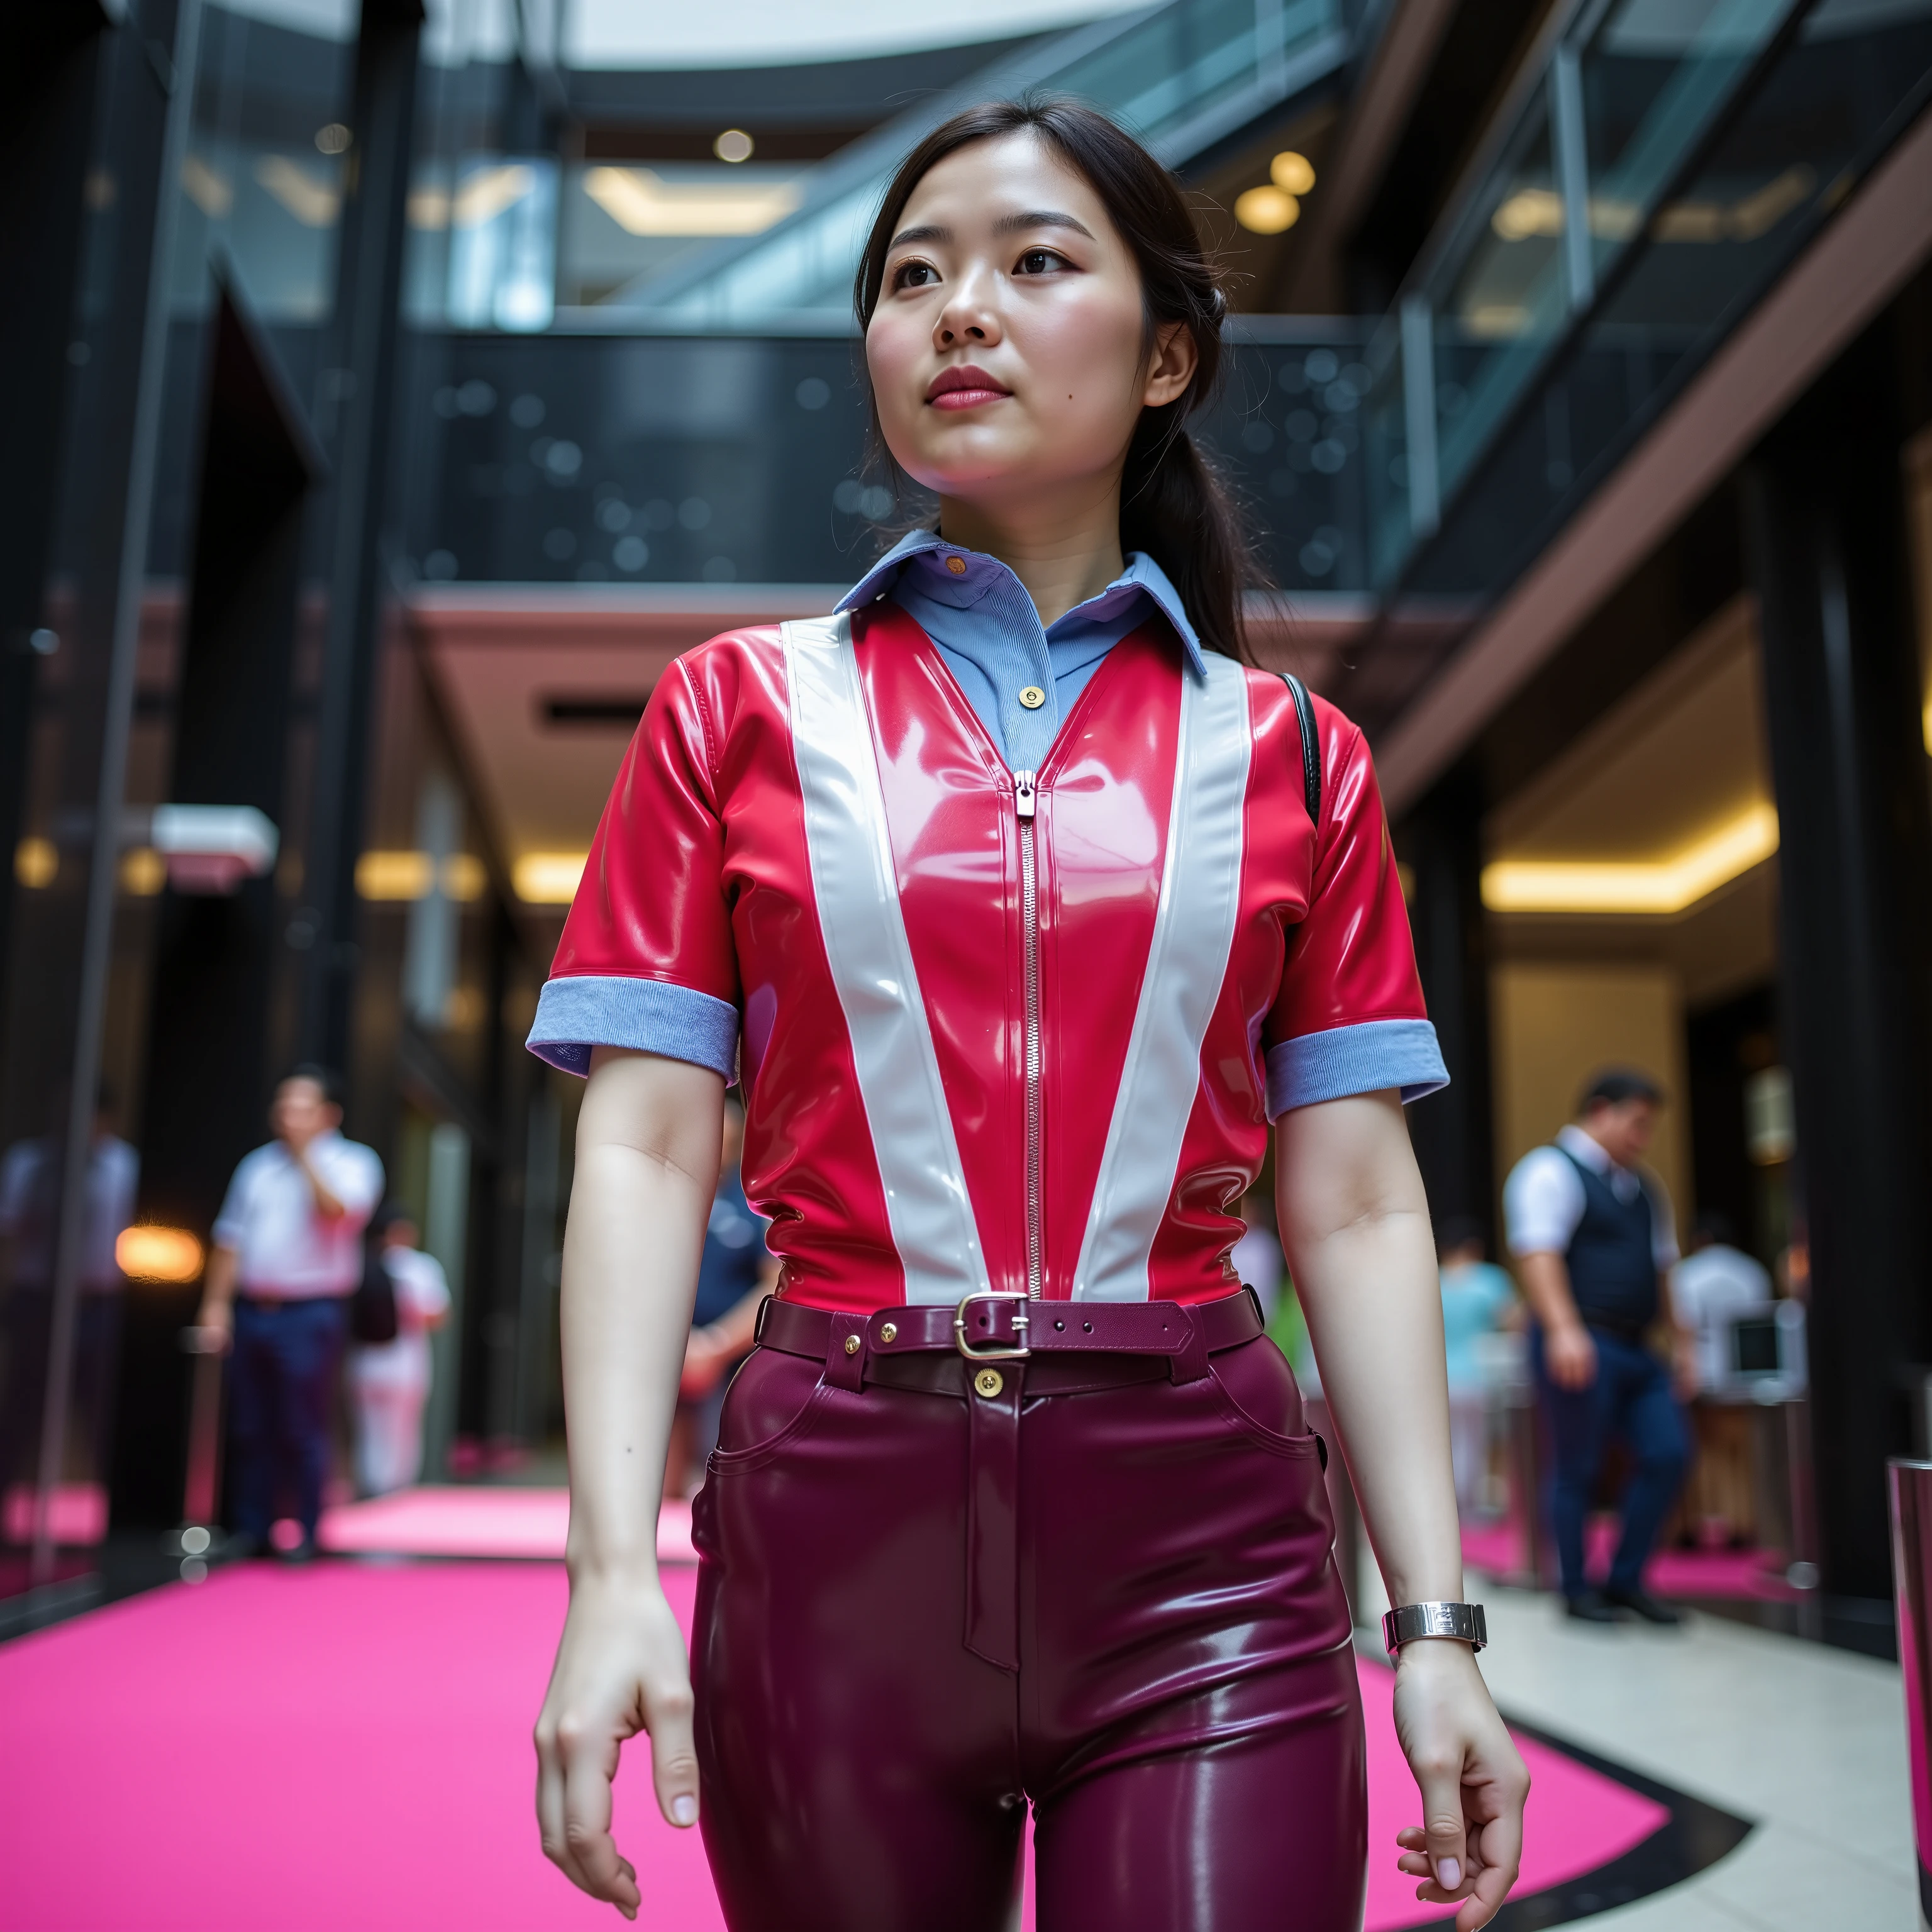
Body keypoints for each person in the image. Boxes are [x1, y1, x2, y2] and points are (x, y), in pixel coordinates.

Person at [528, 99, 1527, 1932]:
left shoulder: (1299, 757)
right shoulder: (730, 710)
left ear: (1166, 356)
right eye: (913, 278)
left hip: (1207, 1547)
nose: (958, 311)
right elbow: (648, 1141)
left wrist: (1436, 1625)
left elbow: (1363, 1202)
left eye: (1031, 262)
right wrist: (609, 1576)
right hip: (829, 1533)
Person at [1503, 1067, 1695, 1624]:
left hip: (1637, 1347)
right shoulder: (1548, 1171)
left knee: (1668, 1453)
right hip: (1581, 1338)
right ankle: (1575, 1589)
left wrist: (1683, 1343)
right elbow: (1538, 1255)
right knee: (1577, 1466)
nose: (1643, 1138)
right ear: (1600, 1112)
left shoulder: (1643, 1188)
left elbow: (1664, 1270)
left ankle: (1626, 1579)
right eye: (1637, 1123)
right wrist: (1563, 1329)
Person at [195, 1066, 382, 1561]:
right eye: (284, 1105)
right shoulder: (256, 1166)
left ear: (328, 1115)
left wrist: (305, 1157)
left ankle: (307, 1530)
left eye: (301, 1106)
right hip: (255, 1309)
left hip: (312, 1310)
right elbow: (229, 1240)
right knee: (250, 1426)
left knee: (303, 1425)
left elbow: (338, 1213)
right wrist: (216, 1305)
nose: (288, 1115)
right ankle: (253, 1528)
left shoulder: (353, 1162)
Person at [665, 1099, 778, 1500]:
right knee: (658, 1487)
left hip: (732, 1364)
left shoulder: (755, 1207)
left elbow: (776, 1286)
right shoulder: (661, 1202)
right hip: (663, 1355)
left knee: (726, 1487)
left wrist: (713, 1346)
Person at [347, 1204, 450, 1497]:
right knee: (402, 1430)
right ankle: (393, 1490)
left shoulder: (361, 1263)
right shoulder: (416, 1267)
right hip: (405, 1362)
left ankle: (372, 1487)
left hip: (366, 1361)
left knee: (370, 1429)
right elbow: (439, 1315)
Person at [1435, 1218, 1516, 1519]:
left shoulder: (1434, 1281)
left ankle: (1450, 1507)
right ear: (1474, 1248)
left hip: (1440, 1377)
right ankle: (1467, 1509)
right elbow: (1512, 1321)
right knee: (1474, 1443)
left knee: (1449, 1444)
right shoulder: (1489, 1280)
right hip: (1478, 1375)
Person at [1673, 1210, 1774, 1392]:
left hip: (1701, 1372)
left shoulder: (1686, 1272)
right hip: (1749, 1373)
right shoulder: (1753, 1271)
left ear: (1701, 1239)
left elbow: (1685, 1325)